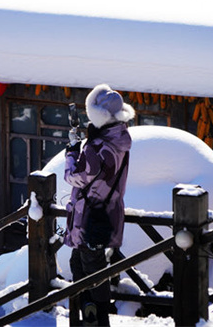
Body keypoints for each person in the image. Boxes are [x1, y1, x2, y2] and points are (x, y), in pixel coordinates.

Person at [64, 84, 134, 326]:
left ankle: (97, 320)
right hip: (107, 213)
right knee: (83, 264)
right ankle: (92, 316)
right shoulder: (119, 139)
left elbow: (76, 176)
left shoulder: (99, 146)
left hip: (88, 216)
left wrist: (72, 151)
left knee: (90, 271)